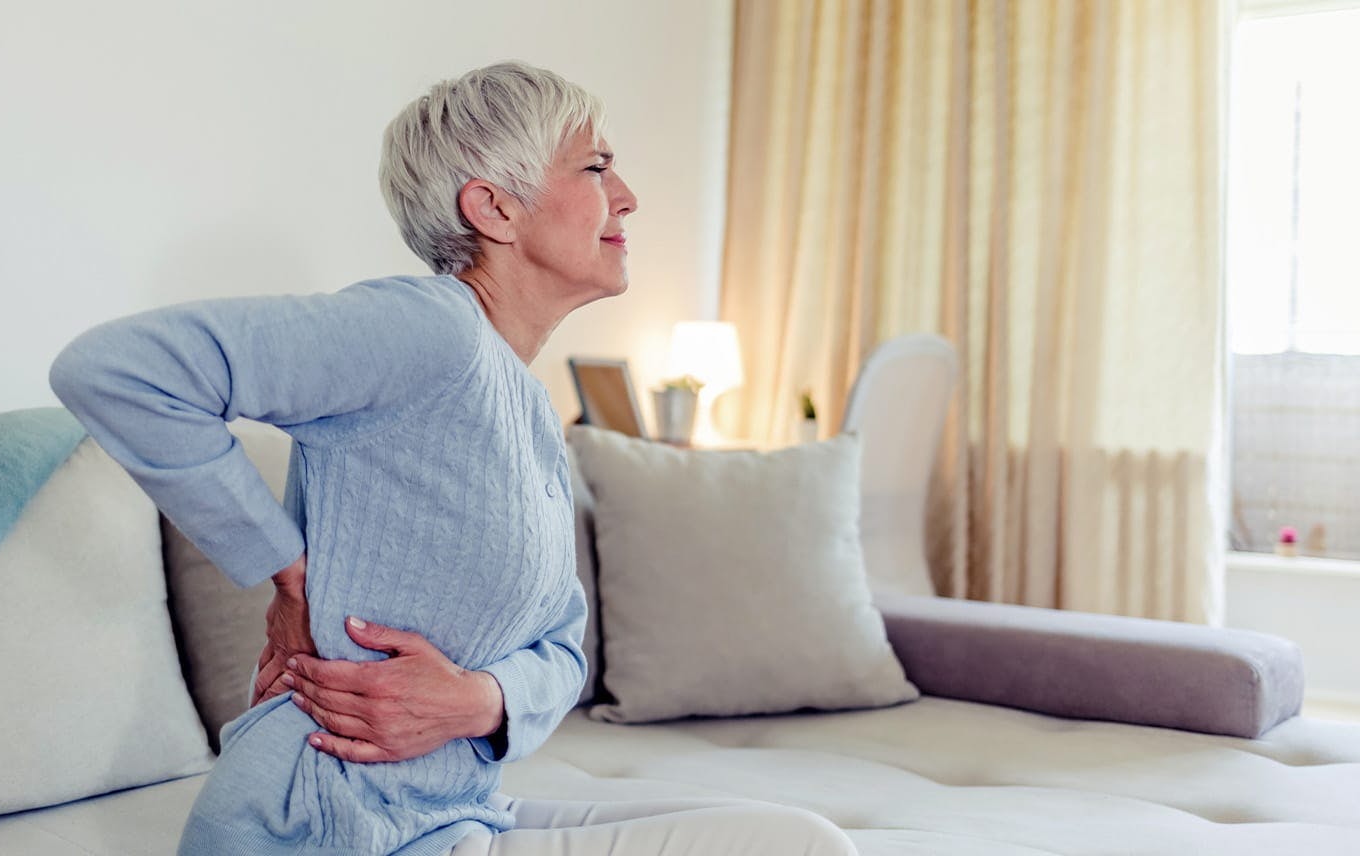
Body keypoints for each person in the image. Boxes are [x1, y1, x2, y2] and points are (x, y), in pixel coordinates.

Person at [49, 61, 857, 856]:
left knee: (797, 838)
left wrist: (478, 700)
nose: (628, 195)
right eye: (596, 167)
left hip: (454, 815)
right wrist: (285, 569)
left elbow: (562, 648)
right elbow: (117, 370)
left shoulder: (530, 407)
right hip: (327, 828)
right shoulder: (429, 329)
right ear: (495, 208)